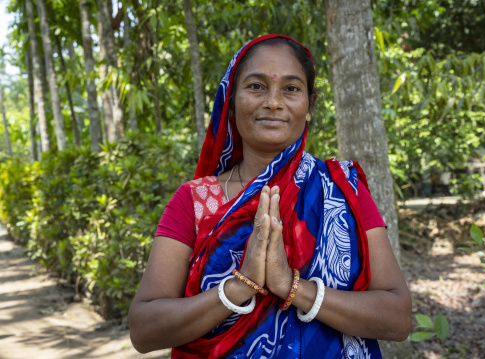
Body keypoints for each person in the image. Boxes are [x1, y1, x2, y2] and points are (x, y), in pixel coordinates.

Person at [129, 34, 412, 358]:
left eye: (291, 88)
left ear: (310, 105)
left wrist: (293, 288)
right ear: (231, 103)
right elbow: (143, 329)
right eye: (256, 86)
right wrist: (239, 286)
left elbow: (398, 318)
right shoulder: (194, 202)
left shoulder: (344, 191)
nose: (273, 102)